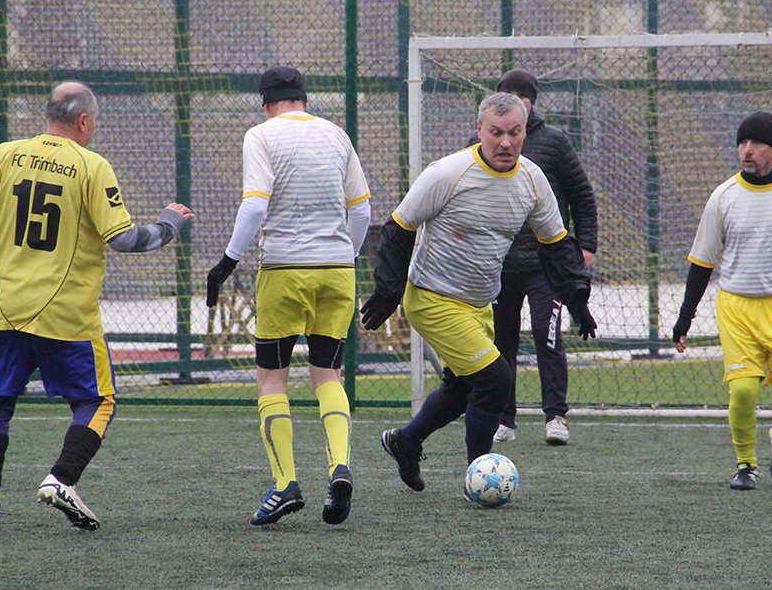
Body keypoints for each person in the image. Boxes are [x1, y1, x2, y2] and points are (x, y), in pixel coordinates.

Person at [0, 81, 194, 532]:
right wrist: (169, 224)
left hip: (6, 309)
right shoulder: (91, 166)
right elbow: (124, 238)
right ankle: (61, 479)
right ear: (84, 120)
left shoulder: (7, 155)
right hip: (65, 314)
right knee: (98, 402)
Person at [361, 91, 596, 495]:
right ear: (479, 131)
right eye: (496, 133)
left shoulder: (533, 180)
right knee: (495, 379)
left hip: (480, 303)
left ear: (525, 132)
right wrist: (388, 290)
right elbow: (399, 227)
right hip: (432, 298)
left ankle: (405, 441)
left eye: (514, 133)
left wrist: (577, 298)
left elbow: (556, 244)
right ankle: (480, 475)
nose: (505, 142)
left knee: (462, 389)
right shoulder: (448, 173)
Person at [205, 66, 371, 526]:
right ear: (304, 98)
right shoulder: (337, 135)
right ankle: (340, 467)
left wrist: (227, 262)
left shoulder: (261, 135)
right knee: (327, 375)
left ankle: (285, 484)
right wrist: (345, 256)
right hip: (338, 272)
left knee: (271, 381)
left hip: (284, 271)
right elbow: (362, 212)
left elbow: (255, 204)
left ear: (265, 103)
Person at [672, 111, 772, 490]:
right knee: (743, 391)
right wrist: (685, 318)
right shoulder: (723, 197)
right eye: (743, 143)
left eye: (757, 144)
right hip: (737, 309)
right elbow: (701, 263)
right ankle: (746, 464)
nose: (747, 151)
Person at [483, 69, 598, 446]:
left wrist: (586, 246)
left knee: (546, 335)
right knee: (500, 343)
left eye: (523, 100)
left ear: (531, 104)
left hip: (544, 264)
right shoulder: (479, 146)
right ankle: (504, 418)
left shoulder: (554, 142)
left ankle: (555, 416)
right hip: (498, 265)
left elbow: (582, 196)